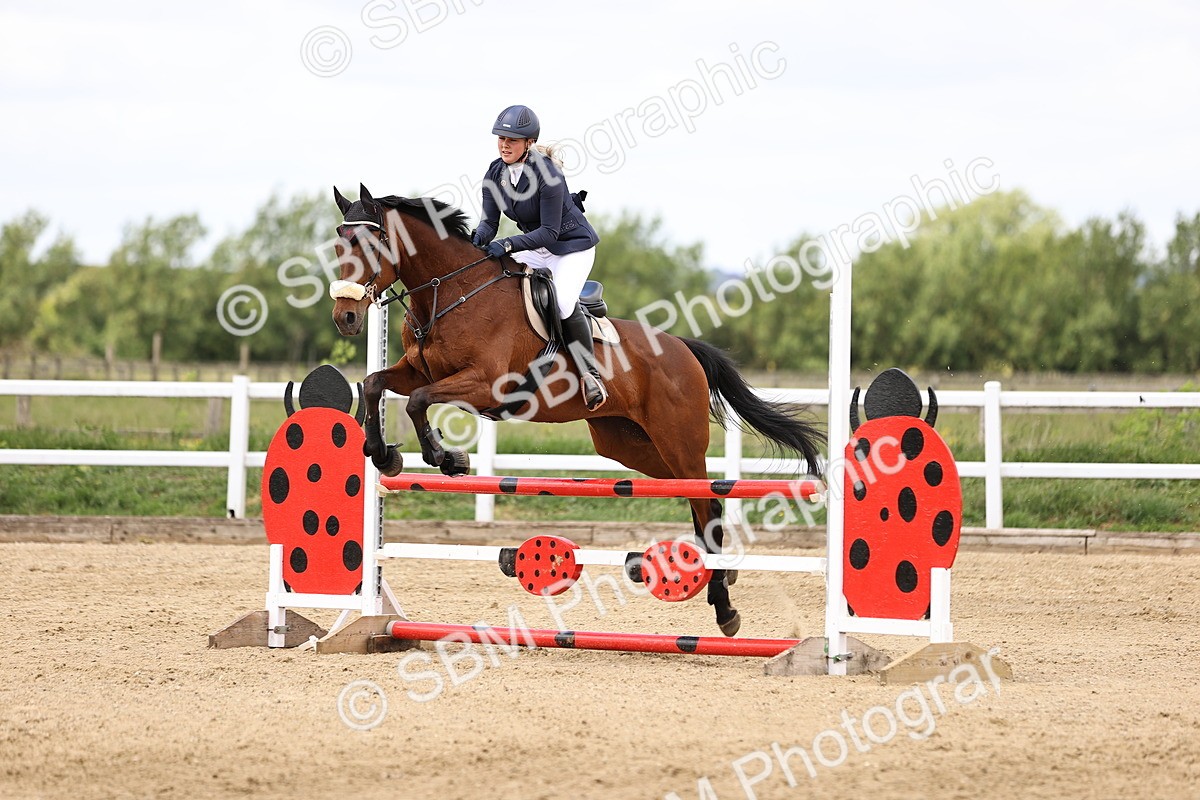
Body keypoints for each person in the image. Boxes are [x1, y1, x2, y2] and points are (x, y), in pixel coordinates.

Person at [471, 104, 607, 411]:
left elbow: (549, 233)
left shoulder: (548, 174)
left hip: (571, 247)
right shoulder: (494, 173)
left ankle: (590, 375)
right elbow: (489, 224)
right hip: (536, 248)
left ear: (528, 143)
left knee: (562, 303)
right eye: (501, 138)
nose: (504, 144)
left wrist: (507, 245)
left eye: (512, 140)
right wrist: (474, 241)